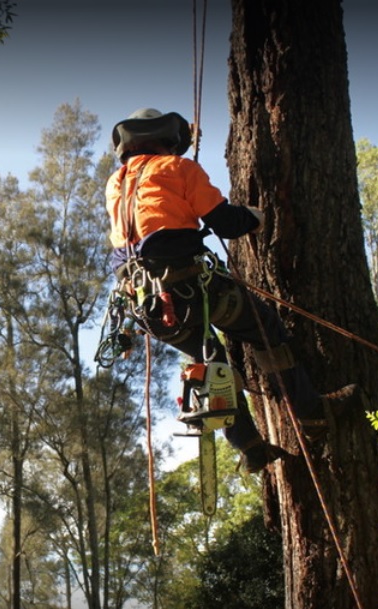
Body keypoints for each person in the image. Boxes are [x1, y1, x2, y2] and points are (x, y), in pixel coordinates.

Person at [104, 107, 353, 474]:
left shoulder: (116, 183)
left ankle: (248, 446)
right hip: (189, 290)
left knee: (213, 363)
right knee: (264, 327)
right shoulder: (178, 168)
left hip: (148, 307)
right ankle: (311, 413)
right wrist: (254, 216)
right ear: (165, 139)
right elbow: (225, 222)